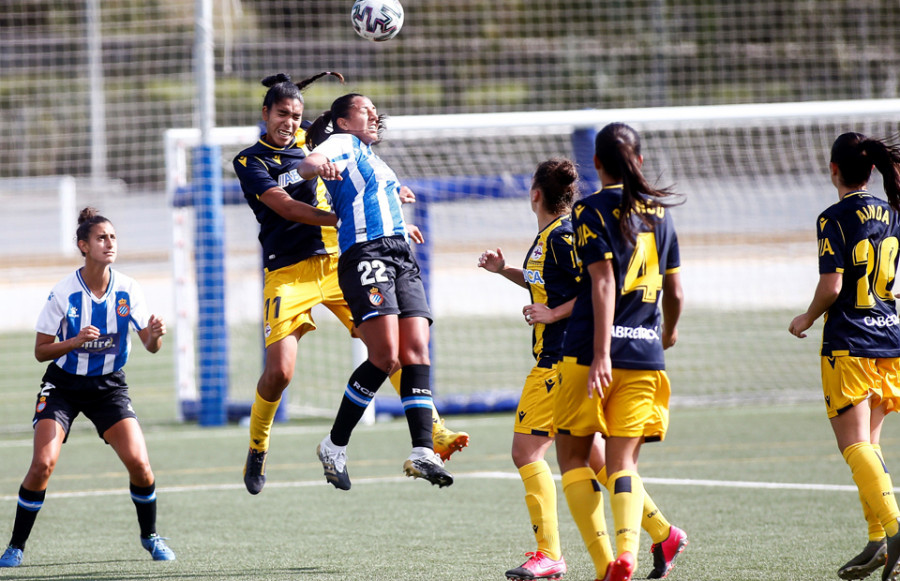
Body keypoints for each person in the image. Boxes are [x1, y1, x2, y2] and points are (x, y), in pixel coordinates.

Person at [234, 74, 469, 495]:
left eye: (297, 115)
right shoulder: (251, 161)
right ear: (265, 114)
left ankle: (431, 430)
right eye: (282, 114)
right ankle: (258, 445)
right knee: (279, 373)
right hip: (288, 271)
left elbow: (359, 168)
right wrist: (351, 219)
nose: (290, 122)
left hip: (339, 261)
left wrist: (386, 211)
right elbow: (285, 206)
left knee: (390, 348)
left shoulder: (318, 141)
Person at [479, 157, 686, 581]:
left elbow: (595, 285)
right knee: (595, 461)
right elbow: (548, 282)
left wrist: (553, 316)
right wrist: (505, 272)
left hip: (560, 359)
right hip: (559, 358)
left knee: (526, 452)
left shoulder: (564, 236)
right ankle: (663, 533)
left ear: (535, 193)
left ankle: (549, 553)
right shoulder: (551, 236)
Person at [0, 208, 174, 568]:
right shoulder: (63, 293)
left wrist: (155, 337)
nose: (109, 243)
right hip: (63, 386)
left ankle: (150, 536)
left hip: (109, 388)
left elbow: (149, 346)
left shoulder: (129, 289)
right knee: (43, 465)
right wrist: (75, 341)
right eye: (100, 238)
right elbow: (40, 351)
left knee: (140, 465)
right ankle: (16, 545)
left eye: (112, 237)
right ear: (83, 246)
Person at [298, 93, 453, 489]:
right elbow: (308, 164)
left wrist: (400, 219)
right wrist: (318, 164)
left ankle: (423, 452)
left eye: (374, 110)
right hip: (366, 254)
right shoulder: (342, 143)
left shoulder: (374, 159)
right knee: (385, 356)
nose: (374, 115)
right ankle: (334, 445)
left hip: (398, 252)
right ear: (343, 122)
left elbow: (373, 197)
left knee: (416, 349)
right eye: (364, 110)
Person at [553, 123, 684, 581]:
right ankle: (630, 550)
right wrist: (667, 332)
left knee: (572, 458)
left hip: (590, 353)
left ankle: (605, 564)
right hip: (646, 355)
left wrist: (602, 353)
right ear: (639, 161)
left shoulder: (589, 210)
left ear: (596, 163)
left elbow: (603, 282)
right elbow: (676, 290)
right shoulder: (661, 214)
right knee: (622, 461)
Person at [789, 132, 900, 581]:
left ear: (833, 171)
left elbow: (832, 286)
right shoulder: (892, 213)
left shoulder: (832, 218)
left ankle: (894, 530)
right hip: (889, 339)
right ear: (871, 170)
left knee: (853, 445)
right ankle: (878, 540)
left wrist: (807, 317)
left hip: (849, 342)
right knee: (869, 446)